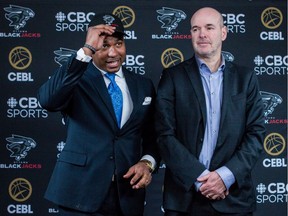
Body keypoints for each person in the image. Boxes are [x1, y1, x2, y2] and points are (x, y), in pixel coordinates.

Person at [38, 13, 160, 216]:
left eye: (119, 44)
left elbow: (153, 135)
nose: (113, 53)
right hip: (79, 193)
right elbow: (47, 100)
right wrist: (86, 49)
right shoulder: (76, 78)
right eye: (104, 45)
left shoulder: (143, 85)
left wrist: (147, 162)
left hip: (127, 196)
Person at [155, 7, 265, 216]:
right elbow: (164, 135)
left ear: (223, 33)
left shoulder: (245, 78)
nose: (202, 34)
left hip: (234, 198)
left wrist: (224, 177)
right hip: (184, 200)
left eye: (209, 27)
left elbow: (256, 133)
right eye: (195, 29)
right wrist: (200, 177)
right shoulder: (172, 77)